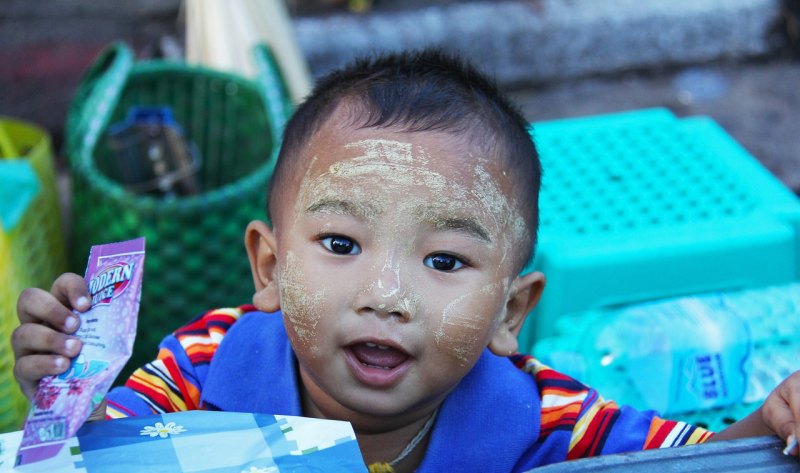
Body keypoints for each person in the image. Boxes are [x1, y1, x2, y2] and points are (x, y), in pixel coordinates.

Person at [12, 49, 800, 472]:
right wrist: (61, 392)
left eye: (446, 260)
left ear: (510, 312)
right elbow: (106, 448)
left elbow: (689, 466)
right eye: (343, 244)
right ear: (269, 266)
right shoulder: (203, 367)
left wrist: (769, 421)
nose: (387, 294)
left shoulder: (544, 415)